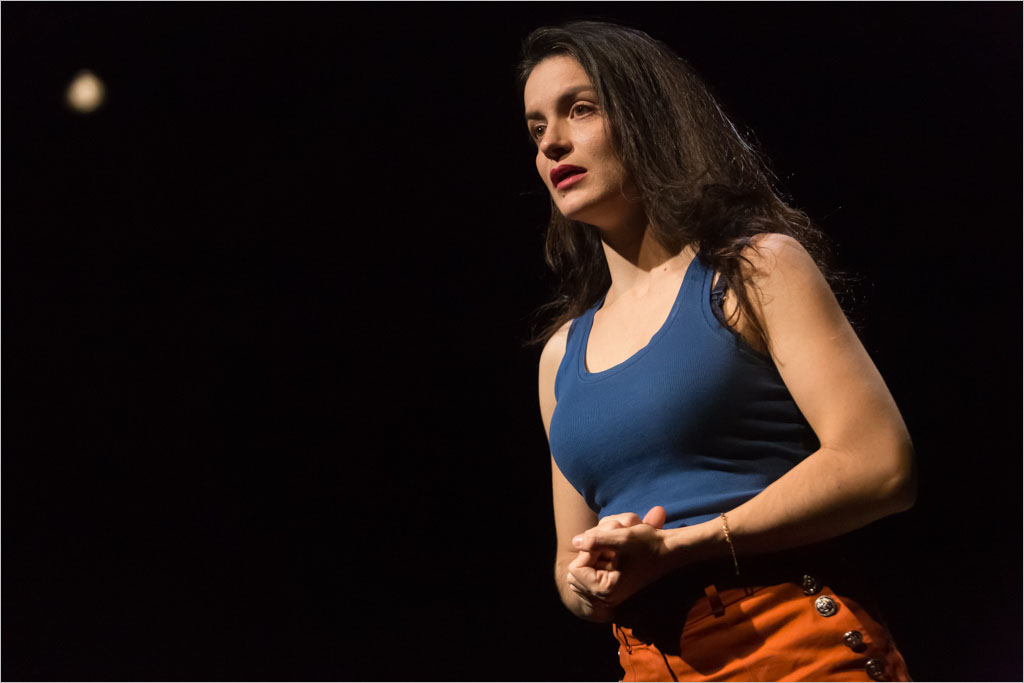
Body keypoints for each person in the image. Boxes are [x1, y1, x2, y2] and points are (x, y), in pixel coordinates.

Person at [523, 21, 916, 682]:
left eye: (580, 109)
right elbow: (570, 563)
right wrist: (586, 586)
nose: (551, 142)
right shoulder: (560, 356)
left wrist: (681, 546)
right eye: (536, 128)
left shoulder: (753, 272)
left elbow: (880, 465)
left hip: (791, 648)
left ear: (647, 117)